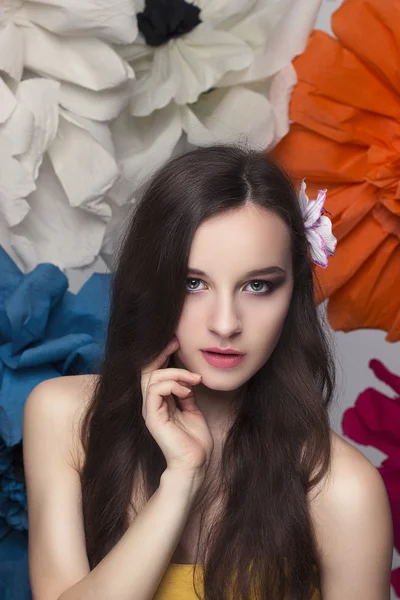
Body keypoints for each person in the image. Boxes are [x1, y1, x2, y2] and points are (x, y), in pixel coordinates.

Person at [22, 144, 393, 600]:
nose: (225, 323)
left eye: (257, 286)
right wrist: (180, 481)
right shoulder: (64, 417)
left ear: (293, 291)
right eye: (193, 283)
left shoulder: (342, 491)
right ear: (152, 283)